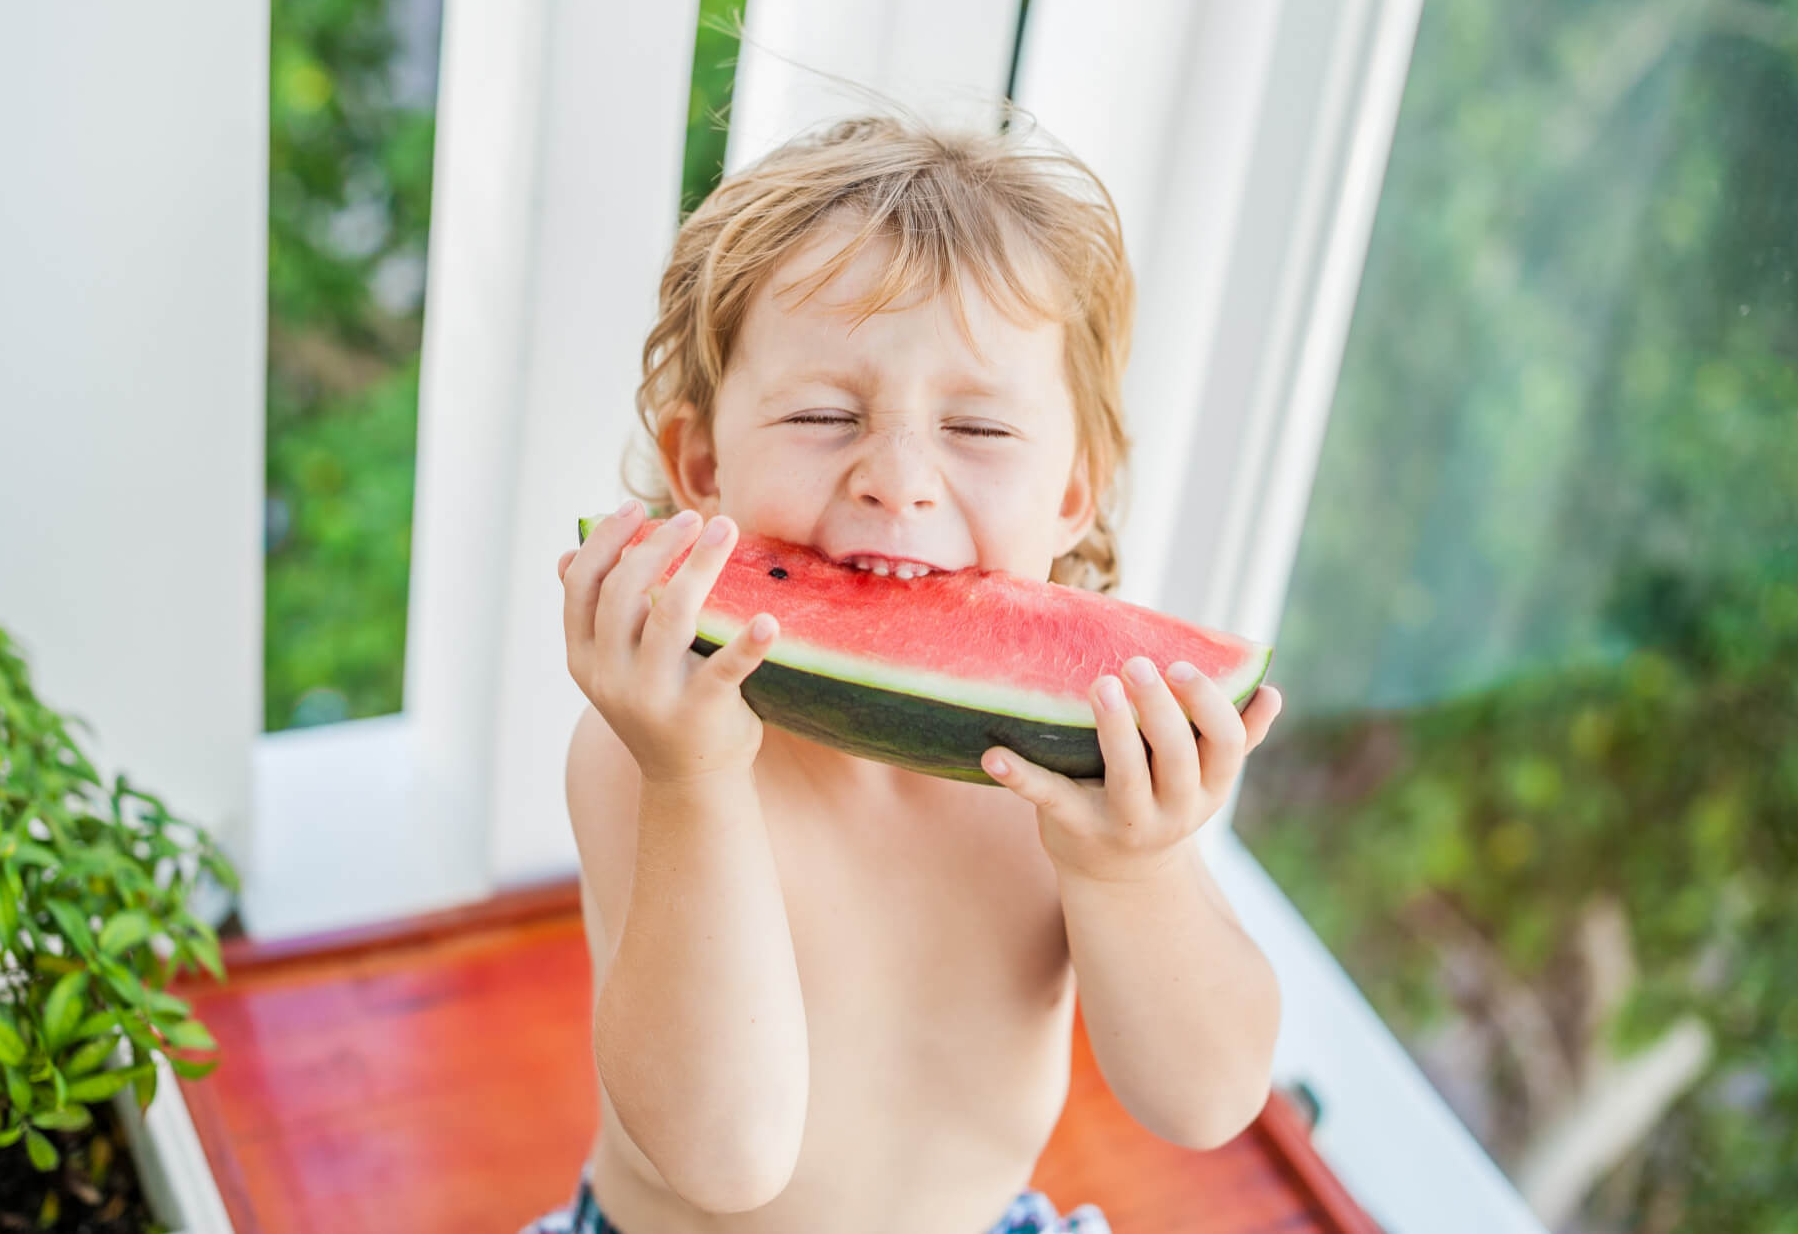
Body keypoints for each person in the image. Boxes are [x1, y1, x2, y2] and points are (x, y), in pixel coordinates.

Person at [527, 108, 1286, 1234]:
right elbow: (722, 1154)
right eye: (826, 413)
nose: (897, 478)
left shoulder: (1075, 768)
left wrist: (1135, 869)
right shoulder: (647, 750)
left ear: (1073, 491)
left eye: (977, 429)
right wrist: (691, 781)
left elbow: (1205, 1099)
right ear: (700, 463)